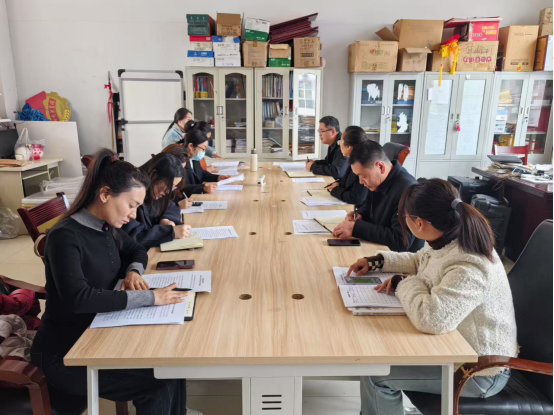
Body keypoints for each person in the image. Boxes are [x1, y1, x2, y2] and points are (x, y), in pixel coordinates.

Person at [30, 149, 190, 415]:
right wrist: (150, 297)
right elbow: (79, 298)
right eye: (131, 205)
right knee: (158, 383)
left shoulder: (106, 226)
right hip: (64, 354)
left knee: (172, 367)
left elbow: (136, 250)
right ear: (105, 194)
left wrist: (134, 272)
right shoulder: (65, 236)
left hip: (99, 331)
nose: (135, 215)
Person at [347, 179, 517, 415]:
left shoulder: (468, 265)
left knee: (377, 375)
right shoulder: (447, 236)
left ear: (419, 223)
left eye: (404, 216)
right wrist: (378, 262)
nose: (403, 220)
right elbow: (421, 261)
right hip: (457, 350)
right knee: (378, 361)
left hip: (479, 370)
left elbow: (432, 319)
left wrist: (403, 282)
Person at [333, 140, 423, 253]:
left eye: (363, 176)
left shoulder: (407, 190)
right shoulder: (378, 180)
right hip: (378, 247)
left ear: (380, 167)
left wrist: (356, 228)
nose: (360, 181)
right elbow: (368, 206)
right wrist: (360, 214)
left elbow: (401, 241)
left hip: (400, 258)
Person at [122, 153, 191, 250]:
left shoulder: (155, 191)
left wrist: (166, 219)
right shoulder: (133, 192)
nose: (168, 192)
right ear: (153, 174)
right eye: (168, 185)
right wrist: (170, 232)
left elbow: (172, 206)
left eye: (172, 187)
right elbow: (134, 237)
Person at [326, 126, 369, 207]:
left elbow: (356, 198)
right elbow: (347, 181)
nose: (339, 145)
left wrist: (335, 190)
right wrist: (338, 184)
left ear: (348, 147)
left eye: (340, 142)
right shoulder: (353, 160)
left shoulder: (362, 165)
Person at [182, 129, 230, 197]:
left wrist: (218, 178)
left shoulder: (193, 157)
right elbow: (180, 187)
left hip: (195, 197)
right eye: (202, 149)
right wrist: (203, 188)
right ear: (191, 146)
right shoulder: (180, 161)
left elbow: (202, 173)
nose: (203, 152)